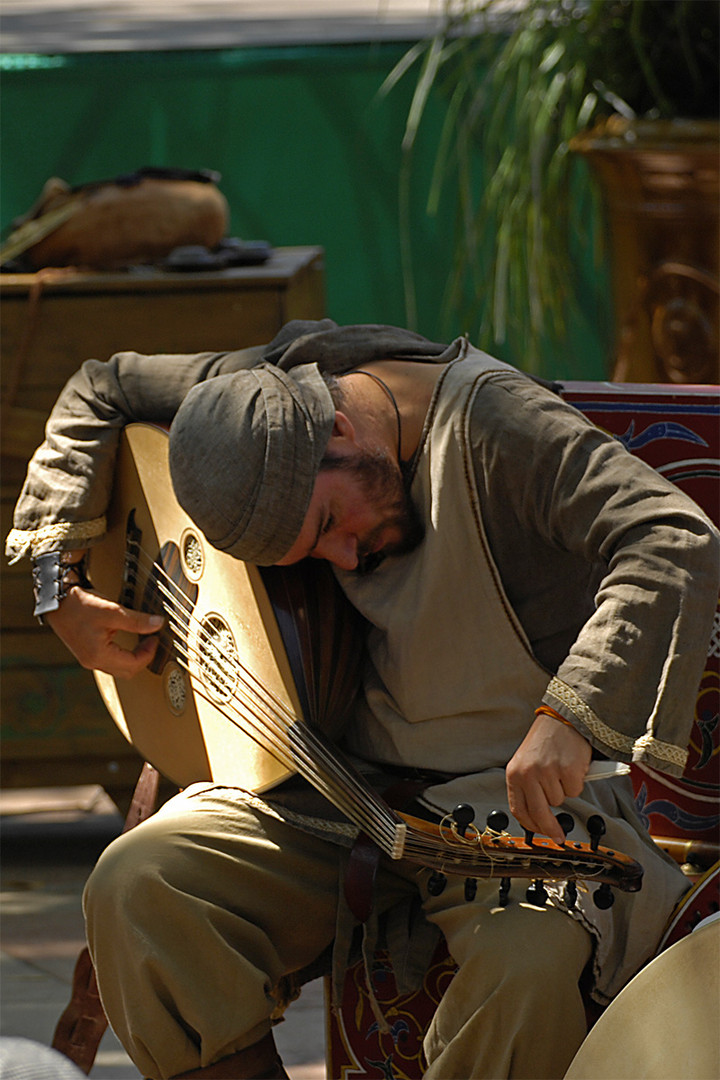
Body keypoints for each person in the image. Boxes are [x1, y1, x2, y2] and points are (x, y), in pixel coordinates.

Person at [6, 320, 719, 1080]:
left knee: (529, 964)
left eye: (329, 522)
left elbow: (670, 536)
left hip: (509, 817)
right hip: (326, 794)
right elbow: (101, 384)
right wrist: (61, 588)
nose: (345, 557)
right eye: (312, 555)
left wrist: (571, 716)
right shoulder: (274, 385)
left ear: (340, 426)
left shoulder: (500, 427)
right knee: (136, 886)